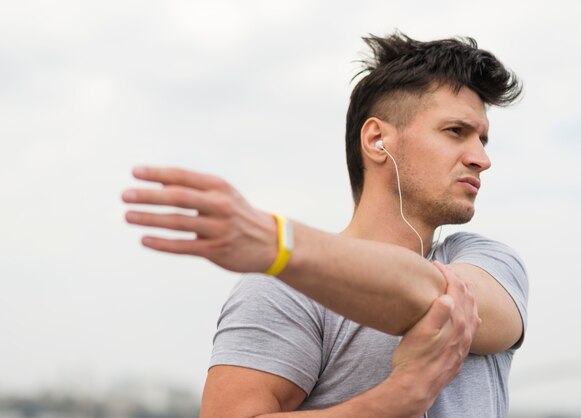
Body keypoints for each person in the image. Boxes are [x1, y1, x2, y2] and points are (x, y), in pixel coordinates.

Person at [122, 32, 528, 417]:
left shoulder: (486, 259)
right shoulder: (282, 286)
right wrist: (393, 401)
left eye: (483, 140)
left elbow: (440, 297)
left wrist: (279, 243)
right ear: (376, 140)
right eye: (456, 131)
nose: (481, 158)